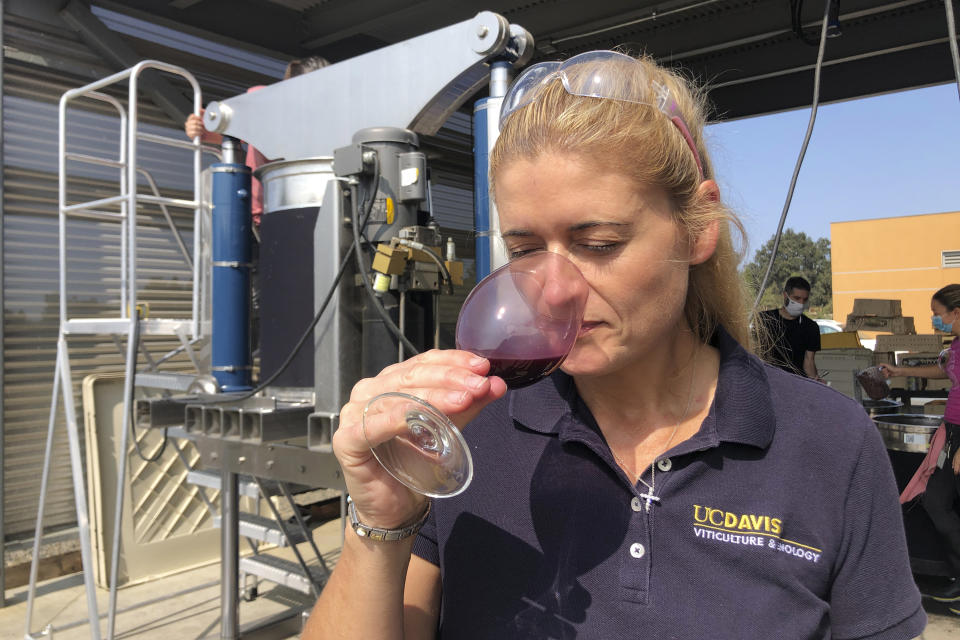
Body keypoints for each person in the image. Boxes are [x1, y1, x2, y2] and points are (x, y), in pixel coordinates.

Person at [303, 51, 924, 638]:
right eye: (523, 252)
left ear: (699, 227)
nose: (551, 290)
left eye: (598, 244)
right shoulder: (470, 434)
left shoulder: (827, 444)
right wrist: (379, 525)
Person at [880, 284, 960, 610]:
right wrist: (900, 370)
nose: (935, 320)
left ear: (956, 312)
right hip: (952, 432)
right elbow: (944, 370)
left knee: (939, 503)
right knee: (935, 502)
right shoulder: (956, 344)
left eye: (938, 314)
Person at [183, 55, 329, 226]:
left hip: (315, 214)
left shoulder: (331, 123)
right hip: (266, 219)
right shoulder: (268, 108)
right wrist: (201, 128)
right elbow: (227, 132)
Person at [758, 276, 821, 378]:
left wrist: (816, 382)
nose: (801, 304)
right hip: (768, 380)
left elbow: (809, 361)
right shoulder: (765, 319)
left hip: (797, 384)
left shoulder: (811, 327)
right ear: (785, 295)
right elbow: (757, 354)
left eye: (804, 300)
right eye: (796, 298)